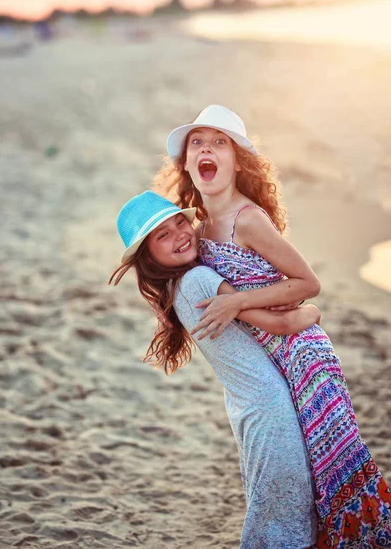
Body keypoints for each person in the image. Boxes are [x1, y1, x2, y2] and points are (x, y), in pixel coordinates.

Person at [153, 105, 391, 547]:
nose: (206, 148)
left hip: (303, 356)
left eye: (219, 142)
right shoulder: (198, 228)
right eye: (197, 143)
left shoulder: (249, 219)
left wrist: (242, 302)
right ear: (186, 163)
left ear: (238, 161)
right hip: (273, 350)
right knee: (303, 473)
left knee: (329, 468)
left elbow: (308, 283)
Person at [109, 190, 321, 548]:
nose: (179, 234)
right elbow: (282, 324)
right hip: (269, 408)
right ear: (148, 257)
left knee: (270, 506)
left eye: (180, 221)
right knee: (284, 520)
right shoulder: (200, 281)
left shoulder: (178, 288)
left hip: (246, 407)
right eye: (163, 235)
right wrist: (314, 314)